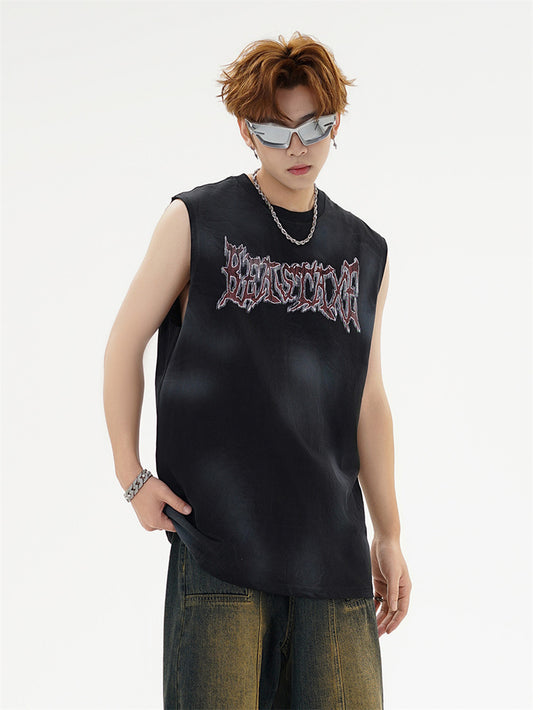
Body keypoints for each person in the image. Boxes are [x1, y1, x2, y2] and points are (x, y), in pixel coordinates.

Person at [103, 30, 411, 710]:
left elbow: (368, 400)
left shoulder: (366, 251)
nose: (298, 147)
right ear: (245, 130)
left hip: (333, 559)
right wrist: (132, 477)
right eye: (276, 130)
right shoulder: (197, 220)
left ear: (336, 123)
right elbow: (124, 343)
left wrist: (388, 533)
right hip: (221, 551)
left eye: (315, 126)